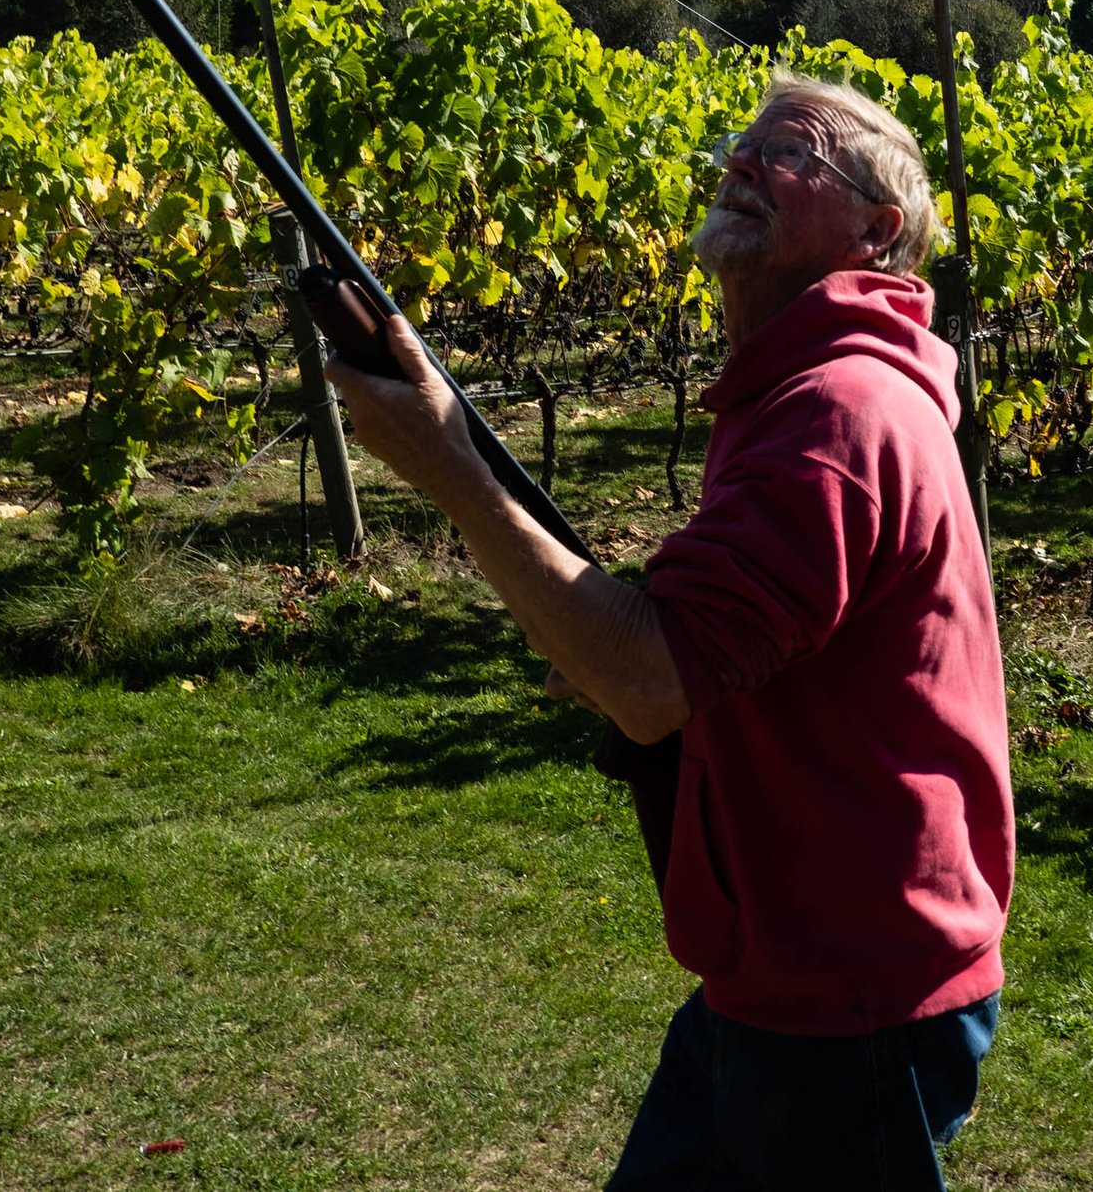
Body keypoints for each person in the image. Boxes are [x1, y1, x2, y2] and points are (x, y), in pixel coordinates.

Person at [326, 74, 1014, 1191]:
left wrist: (447, 467)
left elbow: (651, 677)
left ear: (874, 231)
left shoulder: (838, 414)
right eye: (740, 147)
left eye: (791, 156)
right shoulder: (801, 387)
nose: (740, 164)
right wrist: (599, 647)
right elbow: (685, 650)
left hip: (849, 996)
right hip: (787, 969)